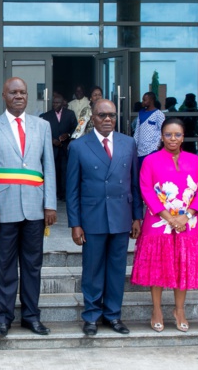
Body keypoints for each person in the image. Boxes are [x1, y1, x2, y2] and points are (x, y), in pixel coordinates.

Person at [0, 77, 57, 337]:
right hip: (3, 208)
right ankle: (4, 317)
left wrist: (50, 204)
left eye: (23, 92)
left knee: (33, 265)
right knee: (5, 266)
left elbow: (49, 168)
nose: (19, 96)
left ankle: (31, 316)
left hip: (35, 207)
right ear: (4, 95)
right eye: (13, 92)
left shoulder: (42, 126)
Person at [66, 99, 143, 336]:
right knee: (92, 269)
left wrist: (137, 217)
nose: (107, 119)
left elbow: (134, 183)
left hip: (121, 216)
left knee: (117, 269)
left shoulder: (129, 143)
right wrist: (75, 223)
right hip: (92, 217)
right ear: (92, 118)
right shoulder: (79, 146)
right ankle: (91, 315)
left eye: (111, 115)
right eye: (102, 115)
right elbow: (72, 189)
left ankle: (113, 315)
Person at [131, 118, 198, 333]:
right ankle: (156, 310)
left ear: (183, 137)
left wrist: (186, 216)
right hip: (158, 222)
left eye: (177, 135)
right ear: (161, 136)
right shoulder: (150, 161)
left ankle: (179, 310)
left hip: (188, 223)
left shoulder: (194, 160)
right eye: (168, 135)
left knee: (182, 267)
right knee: (158, 266)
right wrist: (169, 217)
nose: (173, 139)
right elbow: (146, 190)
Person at [40, 92, 77, 200]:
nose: (55, 104)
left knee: (65, 171)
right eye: (54, 103)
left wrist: (68, 135)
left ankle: (64, 194)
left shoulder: (70, 114)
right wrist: (52, 140)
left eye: (57, 103)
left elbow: (75, 129)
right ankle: (54, 194)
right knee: (53, 171)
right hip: (52, 149)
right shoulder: (46, 116)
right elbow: (43, 132)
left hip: (65, 148)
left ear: (62, 103)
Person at [135, 92, 165, 168]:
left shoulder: (159, 114)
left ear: (151, 100)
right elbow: (137, 131)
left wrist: (158, 146)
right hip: (140, 151)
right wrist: (135, 144)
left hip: (153, 149)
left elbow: (163, 131)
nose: (142, 102)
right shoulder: (140, 113)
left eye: (145, 100)